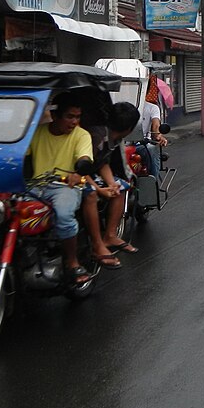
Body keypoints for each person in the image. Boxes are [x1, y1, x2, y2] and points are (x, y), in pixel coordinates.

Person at [27, 91, 95, 285]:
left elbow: (84, 158)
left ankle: (72, 262)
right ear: (55, 116)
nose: (74, 121)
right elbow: (21, 154)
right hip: (35, 186)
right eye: (70, 116)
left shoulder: (81, 135)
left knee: (64, 215)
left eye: (77, 117)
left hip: (65, 186)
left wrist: (80, 169)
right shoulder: (38, 132)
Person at [81, 102, 142, 268]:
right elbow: (80, 167)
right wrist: (99, 188)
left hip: (92, 173)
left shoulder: (112, 138)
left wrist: (111, 184)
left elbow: (102, 163)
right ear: (129, 128)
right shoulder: (96, 137)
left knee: (121, 187)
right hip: (78, 174)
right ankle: (97, 243)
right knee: (92, 193)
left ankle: (110, 234)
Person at [138, 82, 168, 180]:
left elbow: (155, 126)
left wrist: (158, 136)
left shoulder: (152, 108)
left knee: (151, 148)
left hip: (143, 143)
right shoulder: (123, 106)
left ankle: (152, 180)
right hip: (123, 143)